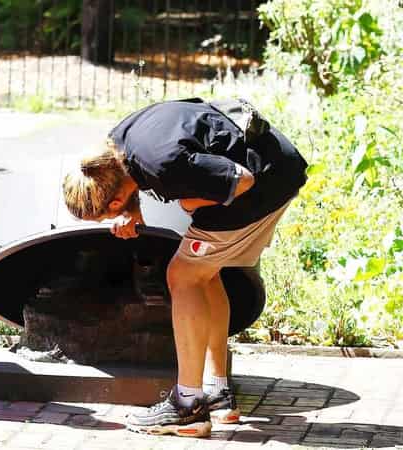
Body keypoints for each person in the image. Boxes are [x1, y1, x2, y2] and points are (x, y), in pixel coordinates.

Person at [63, 98, 307, 438]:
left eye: (107, 214)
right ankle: (218, 394)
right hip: (278, 163)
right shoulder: (118, 143)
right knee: (204, 275)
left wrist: (189, 200)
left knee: (183, 275)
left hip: (265, 182)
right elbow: (151, 166)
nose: (112, 220)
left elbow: (242, 180)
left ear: (114, 200)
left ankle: (187, 406)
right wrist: (133, 211)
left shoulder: (163, 164)